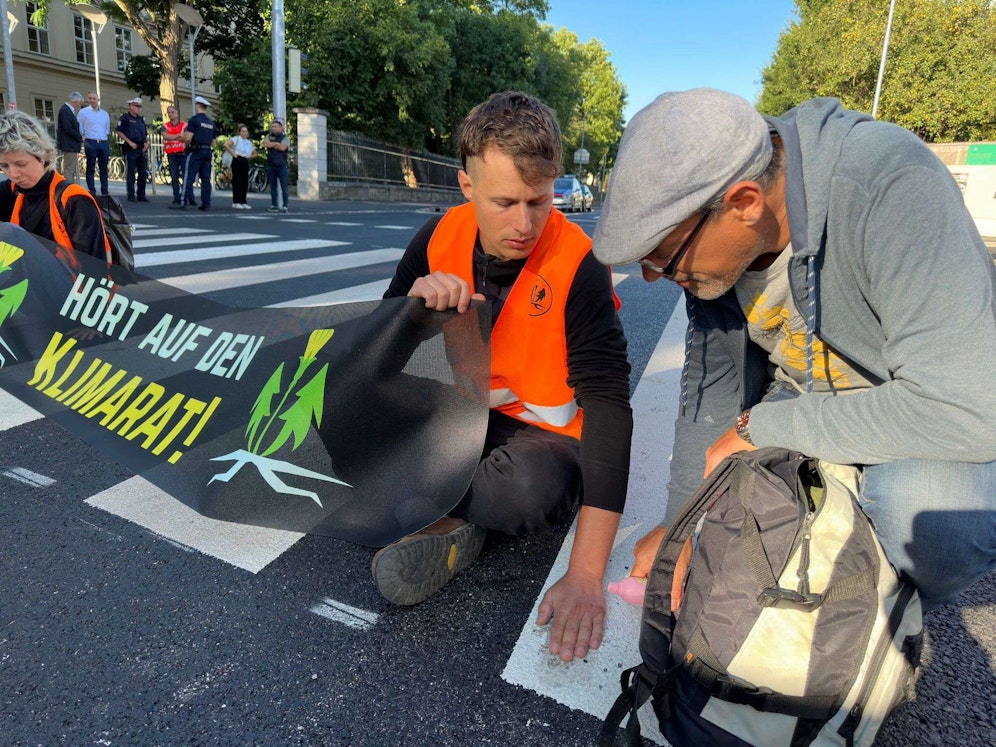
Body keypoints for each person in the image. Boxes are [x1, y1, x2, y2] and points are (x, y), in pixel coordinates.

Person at [592, 88, 996, 612]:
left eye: (663, 258)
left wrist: (762, 429)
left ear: (743, 203)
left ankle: (896, 615)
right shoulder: (716, 259)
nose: (651, 276)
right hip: (801, 394)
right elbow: (710, 394)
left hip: (912, 400)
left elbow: (967, 406)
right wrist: (680, 529)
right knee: (727, 537)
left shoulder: (889, 182)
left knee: (931, 521)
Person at [377, 91, 633, 663]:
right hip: (459, 415)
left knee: (529, 493)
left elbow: (610, 405)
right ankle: (452, 515)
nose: (524, 224)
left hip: (540, 440)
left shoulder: (581, 262)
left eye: (540, 201)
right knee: (341, 418)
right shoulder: (436, 235)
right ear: (467, 187)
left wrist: (587, 575)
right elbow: (376, 351)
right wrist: (410, 309)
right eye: (505, 202)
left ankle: (442, 512)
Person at [0, 110, 110, 267]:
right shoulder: (12, 191)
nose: (13, 174)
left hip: (68, 289)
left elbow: (95, 272)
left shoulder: (74, 200)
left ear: (44, 156)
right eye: (4, 166)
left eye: (21, 164)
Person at [179, 96, 217, 212]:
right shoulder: (211, 123)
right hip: (207, 152)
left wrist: (182, 138)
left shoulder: (194, 120)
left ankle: (183, 201)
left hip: (196, 151)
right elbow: (213, 142)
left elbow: (188, 138)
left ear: (198, 106)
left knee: (188, 177)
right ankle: (206, 203)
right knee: (205, 179)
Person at [76, 91, 111, 196]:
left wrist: (103, 136)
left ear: (98, 100)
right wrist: (83, 136)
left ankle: (105, 190)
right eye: (90, 98)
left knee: (103, 167)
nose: (92, 100)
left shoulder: (104, 114)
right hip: (90, 141)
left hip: (103, 141)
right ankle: (92, 189)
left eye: (93, 98)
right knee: (90, 166)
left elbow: (107, 128)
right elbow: (80, 125)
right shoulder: (83, 112)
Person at [115, 97, 150, 203]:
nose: (138, 108)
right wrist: (129, 142)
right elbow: (119, 131)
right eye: (136, 106)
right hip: (131, 148)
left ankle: (141, 194)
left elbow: (145, 133)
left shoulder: (141, 119)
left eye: (139, 106)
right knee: (131, 173)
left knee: (143, 173)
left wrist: (147, 143)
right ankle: (131, 195)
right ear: (130, 106)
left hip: (141, 149)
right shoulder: (125, 118)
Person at [161, 104, 187, 207]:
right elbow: (165, 136)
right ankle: (176, 197)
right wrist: (177, 136)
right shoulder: (165, 126)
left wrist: (171, 137)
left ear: (177, 113)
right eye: (169, 113)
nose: (171, 114)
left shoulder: (184, 125)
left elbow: (185, 137)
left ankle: (187, 197)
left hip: (183, 153)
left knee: (186, 177)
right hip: (172, 154)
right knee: (174, 177)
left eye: (173, 112)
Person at [225, 123, 256, 209]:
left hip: (245, 160)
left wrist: (250, 156)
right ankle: (236, 201)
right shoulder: (236, 139)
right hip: (237, 159)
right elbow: (226, 145)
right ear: (239, 132)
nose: (244, 133)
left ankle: (243, 201)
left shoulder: (249, 142)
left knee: (244, 181)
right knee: (237, 181)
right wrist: (233, 154)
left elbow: (254, 153)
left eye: (246, 131)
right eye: (242, 131)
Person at [262, 118, 289, 213]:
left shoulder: (285, 138)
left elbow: (282, 148)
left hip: (281, 165)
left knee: (284, 186)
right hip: (271, 165)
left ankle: (285, 205)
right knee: (273, 187)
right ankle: (274, 205)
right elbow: (265, 144)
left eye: (275, 127)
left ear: (281, 128)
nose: (273, 128)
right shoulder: (268, 136)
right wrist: (276, 144)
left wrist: (272, 144)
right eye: (272, 126)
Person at [56, 92, 83, 184]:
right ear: (75, 101)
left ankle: (70, 186)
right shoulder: (65, 111)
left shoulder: (67, 110)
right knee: (69, 169)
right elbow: (68, 128)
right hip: (69, 144)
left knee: (71, 168)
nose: (80, 105)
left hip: (70, 144)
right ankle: (68, 188)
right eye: (80, 102)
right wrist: (80, 137)